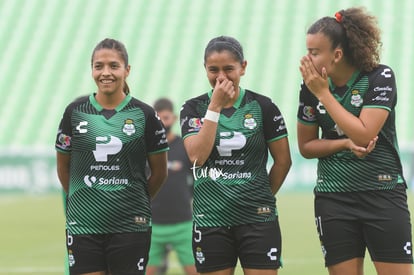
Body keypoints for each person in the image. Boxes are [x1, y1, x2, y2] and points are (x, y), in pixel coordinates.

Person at [297, 7, 413, 275]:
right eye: (308, 51)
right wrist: (343, 144)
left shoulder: (379, 77)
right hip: (333, 198)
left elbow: (364, 133)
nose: (307, 59)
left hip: (382, 193)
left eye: (314, 53)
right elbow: (306, 146)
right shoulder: (309, 87)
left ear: (336, 55)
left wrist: (324, 95)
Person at [55, 38, 169, 275]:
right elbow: (63, 167)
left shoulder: (144, 114)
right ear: (92, 70)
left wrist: (136, 201)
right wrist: (82, 200)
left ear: (127, 70)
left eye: (113, 66)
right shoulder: (74, 113)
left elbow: (160, 172)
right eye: (99, 66)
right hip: (84, 224)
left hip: (130, 224)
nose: (105, 73)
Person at [180, 35, 292, 275]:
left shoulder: (263, 106)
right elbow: (196, 157)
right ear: (205, 69)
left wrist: (259, 196)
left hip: (257, 218)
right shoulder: (192, 108)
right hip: (210, 218)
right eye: (213, 70)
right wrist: (215, 107)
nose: (221, 77)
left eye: (228, 69)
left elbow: (283, 161)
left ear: (243, 67)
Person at [146, 98, 197, 275]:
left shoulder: (184, 146)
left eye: (166, 118)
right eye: (158, 118)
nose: (162, 122)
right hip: (153, 225)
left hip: (183, 223)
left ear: (174, 118)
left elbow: (196, 181)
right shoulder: (145, 149)